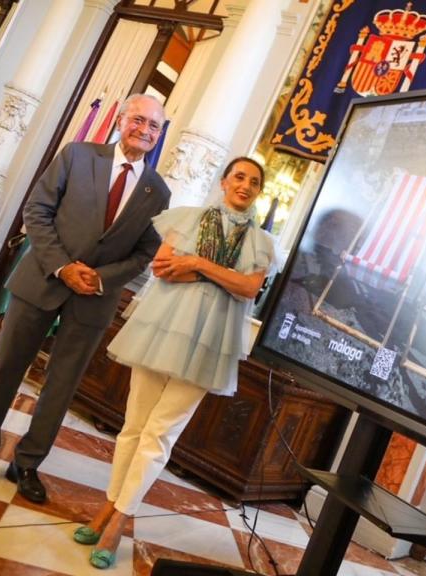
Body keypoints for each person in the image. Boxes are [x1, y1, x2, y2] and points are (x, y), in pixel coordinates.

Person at [0, 94, 171, 504]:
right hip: (42, 281)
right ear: (122, 120)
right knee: (5, 371)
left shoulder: (158, 191)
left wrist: (100, 278)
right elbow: (37, 210)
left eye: (154, 125)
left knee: (60, 387)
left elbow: (144, 252)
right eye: (139, 120)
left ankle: (27, 463)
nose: (145, 130)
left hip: (94, 299)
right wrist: (63, 267)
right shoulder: (78, 155)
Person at [72, 157, 277, 569]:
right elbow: (164, 270)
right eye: (239, 176)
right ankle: (109, 507)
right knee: (134, 425)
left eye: (254, 182)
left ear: (258, 191)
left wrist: (198, 263)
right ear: (224, 181)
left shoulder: (263, 243)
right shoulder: (188, 218)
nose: (245, 185)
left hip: (209, 344)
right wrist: (218, 276)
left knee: (161, 435)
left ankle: (119, 520)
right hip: (163, 329)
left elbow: (248, 288)